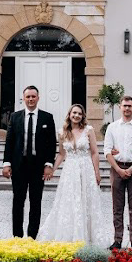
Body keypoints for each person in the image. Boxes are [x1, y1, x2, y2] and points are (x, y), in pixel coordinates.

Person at [38, 103, 110, 245]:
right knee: (69, 201)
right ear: (69, 115)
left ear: (83, 116)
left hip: (86, 169)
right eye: (74, 113)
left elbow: (95, 152)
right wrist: (52, 169)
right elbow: (61, 154)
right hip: (70, 170)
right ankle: (69, 235)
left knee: (86, 201)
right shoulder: (62, 132)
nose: (76, 116)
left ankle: (88, 237)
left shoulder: (88, 130)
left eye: (79, 113)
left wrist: (97, 172)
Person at [1, 86, 57, 239]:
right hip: (19, 166)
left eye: (33, 96)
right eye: (28, 97)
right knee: (18, 200)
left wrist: (49, 165)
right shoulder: (15, 117)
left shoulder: (47, 117)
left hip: (38, 167)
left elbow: (52, 144)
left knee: (36, 201)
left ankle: (32, 235)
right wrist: (6, 163)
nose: (31, 99)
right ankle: (17, 236)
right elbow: (9, 141)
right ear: (23, 98)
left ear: (38, 98)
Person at [103, 96, 132, 251]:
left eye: (130, 106)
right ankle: (117, 240)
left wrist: (131, 169)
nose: (127, 108)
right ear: (120, 107)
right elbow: (107, 150)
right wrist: (118, 169)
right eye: (124, 106)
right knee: (117, 207)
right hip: (117, 169)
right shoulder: (112, 127)